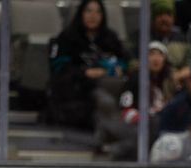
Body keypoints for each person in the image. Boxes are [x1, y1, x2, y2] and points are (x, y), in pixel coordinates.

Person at [47, 0, 129, 148]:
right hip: (80, 89)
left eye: (98, 12)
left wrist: (114, 69)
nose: (93, 16)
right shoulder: (67, 38)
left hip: (112, 84)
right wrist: (85, 72)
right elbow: (59, 69)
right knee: (105, 101)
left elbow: (124, 62)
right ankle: (112, 137)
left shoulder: (111, 38)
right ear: (81, 13)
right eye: (88, 11)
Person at [129, 0, 191, 87]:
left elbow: (190, 65)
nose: (164, 19)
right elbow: (131, 63)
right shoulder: (140, 37)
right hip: (145, 84)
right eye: (160, 15)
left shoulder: (182, 40)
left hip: (175, 86)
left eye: (168, 15)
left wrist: (178, 74)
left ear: (174, 18)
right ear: (153, 17)